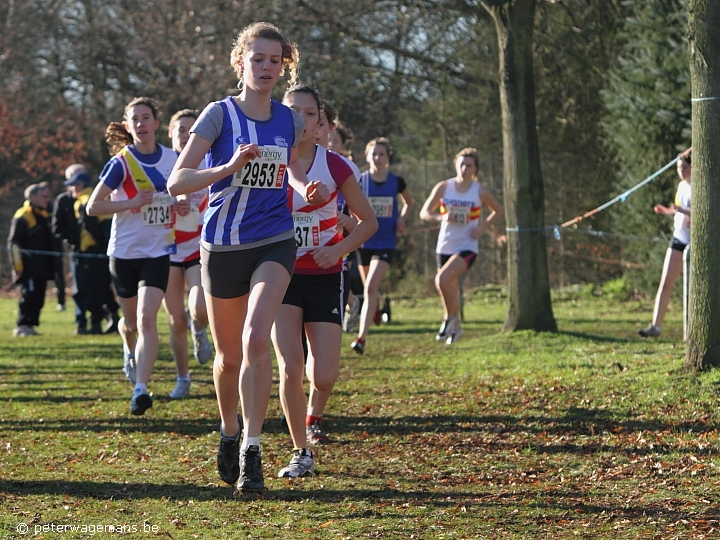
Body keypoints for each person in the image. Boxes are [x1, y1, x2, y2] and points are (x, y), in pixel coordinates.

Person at [167, 22, 329, 494]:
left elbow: (290, 167)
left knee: (259, 338)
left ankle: (252, 450)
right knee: (228, 355)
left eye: (275, 61)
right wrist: (228, 167)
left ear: (285, 66)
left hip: (274, 240)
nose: (266, 68)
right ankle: (229, 429)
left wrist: (304, 188)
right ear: (240, 62)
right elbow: (178, 181)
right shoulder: (218, 115)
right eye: (257, 59)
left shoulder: (288, 120)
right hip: (221, 246)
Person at [271, 85, 376, 478]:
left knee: (324, 374)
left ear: (319, 124)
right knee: (290, 365)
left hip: (327, 274)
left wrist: (339, 249)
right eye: (292, 111)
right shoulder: (270, 161)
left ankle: (314, 413)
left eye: (309, 113)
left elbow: (370, 223)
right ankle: (301, 451)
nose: (300, 119)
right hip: (281, 273)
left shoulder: (336, 166)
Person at [86, 96, 177, 416]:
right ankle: (128, 347)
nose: (141, 123)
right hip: (124, 252)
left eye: (146, 117)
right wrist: (130, 202)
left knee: (147, 318)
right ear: (128, 126)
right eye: (134, 119)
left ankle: (140, 388)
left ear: (156, 122)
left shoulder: (173, 159)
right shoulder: (121, 163)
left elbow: (183, 199)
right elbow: (93, 207)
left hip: (158, 251)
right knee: (130, 323)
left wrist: (179, 207)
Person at [419, 147, 504, 344]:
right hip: (445, 245)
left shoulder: (480, 191)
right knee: (449, 286)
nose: (465, 168)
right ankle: (455, 330)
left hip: (467, 245)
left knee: (442, 280)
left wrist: (481, 228)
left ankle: (448, 319)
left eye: (469, 165)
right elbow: (424, 213)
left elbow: (498, 211)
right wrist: (441, 217)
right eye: (462, 164)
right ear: (455, 165)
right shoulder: (444, 187)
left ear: (476, 169)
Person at [163, 108, 212, 400]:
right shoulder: (160, 163)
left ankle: (199, 328)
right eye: (180, 129)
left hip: (196, 245)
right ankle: (183, 377)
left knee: (199, 308)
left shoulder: (205, 161)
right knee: (174, 319)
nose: (185, 134)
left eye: (191, 129)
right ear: (171, 132)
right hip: (166, 247)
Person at [350, 137, 412, 354]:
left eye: (382, 154)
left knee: (369, 288)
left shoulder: (396, 182)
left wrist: (402, 218)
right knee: (370, 290)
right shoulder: (360, 180)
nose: (378, 158)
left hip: (386, 241)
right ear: (368, 156)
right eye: (374, 154)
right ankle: (374, 310)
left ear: (388, 157)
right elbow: (350, 204)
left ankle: (361, 338)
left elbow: (409, 203)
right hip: (364, 240)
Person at [314, 104, 363, 333]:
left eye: (320, 123)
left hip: (330, 261)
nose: (313, 128)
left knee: (321, 349)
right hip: (287, 263)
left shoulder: (346, 168)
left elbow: (362, 223)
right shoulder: (286, 163)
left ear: (331, 129)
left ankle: (353, 304)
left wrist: (345, 225)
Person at [639, 147, 692, 338]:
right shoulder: (681, 186)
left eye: (684, 167)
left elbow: (698, 212)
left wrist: (683, 211)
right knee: (665, 283)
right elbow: (680, 209)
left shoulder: (700, 187)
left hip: (695, 244)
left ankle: (693, 330)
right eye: (679, 167)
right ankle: (655, 327)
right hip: (679, 238)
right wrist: (667, 211)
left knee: (693, 290)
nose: (681, 171)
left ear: (693, 168)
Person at [65, 172, 120, 335]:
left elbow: (90, 226)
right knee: (103, 286)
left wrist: (96, 246)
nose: (72, 188)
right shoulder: (100, 196)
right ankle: (112, 318)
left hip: (93, 251)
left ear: (81, 185)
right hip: (106, 248)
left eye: (74, 185)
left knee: (92, 287)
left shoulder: (83, 201)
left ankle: (96, 323)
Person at [8, 183, 54, 336]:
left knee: (38, 297)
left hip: (41, 267)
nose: (47, 200)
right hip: (28, 267)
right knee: (29, 295)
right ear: (32, 197)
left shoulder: (43, 214)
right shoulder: (23, 216)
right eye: (44, 196)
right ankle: (22, 325)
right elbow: (14, 244)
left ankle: (31, 325)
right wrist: (17, 266)